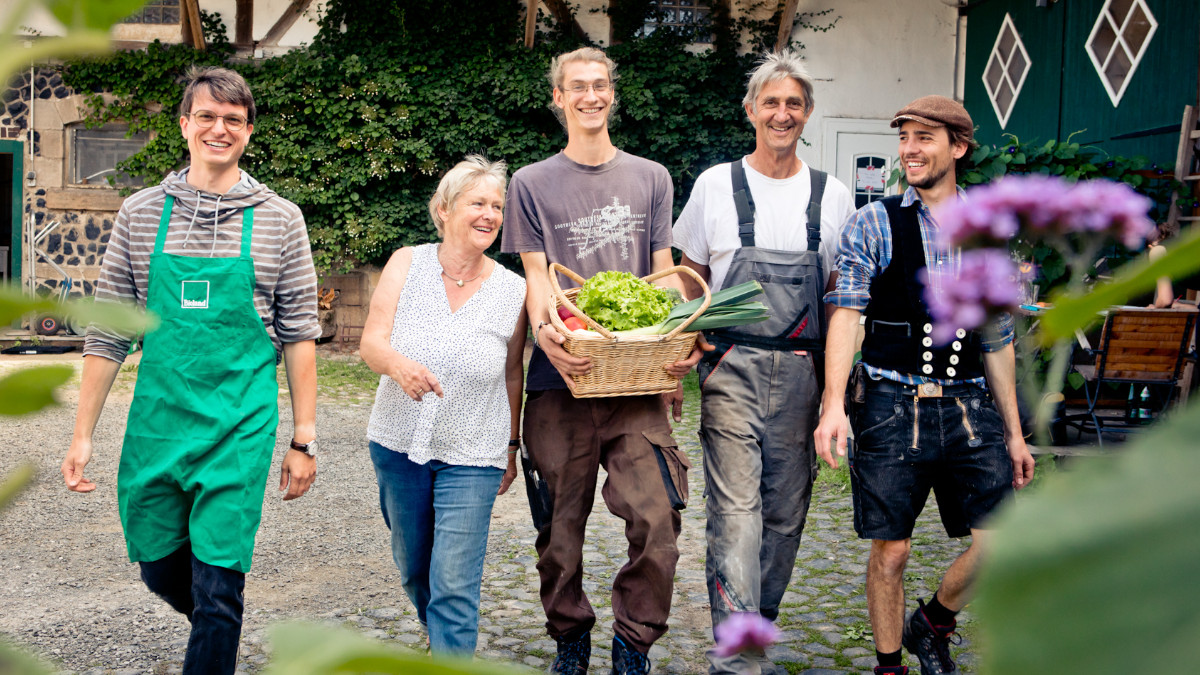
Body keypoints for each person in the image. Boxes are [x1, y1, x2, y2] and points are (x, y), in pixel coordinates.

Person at [60, 66, 320, 674]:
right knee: (157, 566)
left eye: (233, 119)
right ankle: (212, 621)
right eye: (206, 116)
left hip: (239, 424)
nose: (219, 129)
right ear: (184, 125)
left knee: (219, 584)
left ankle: (214, 628)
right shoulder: (140, 212)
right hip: (161, 421)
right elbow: (109, 332)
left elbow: (300, 333)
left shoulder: (281, 218)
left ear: (248, 131)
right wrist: (82, 434)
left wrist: (303, 439)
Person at [813, 95, 1036, 675]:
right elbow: (846, 314)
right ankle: (890, 666)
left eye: (923, 138)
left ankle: (933, 621)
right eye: (904, 137)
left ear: (958, 147)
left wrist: (1015, 434)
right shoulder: (874, 221)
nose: (909, 150)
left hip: (970, 406)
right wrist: (834, 405)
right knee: (892, 551)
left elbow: (997, 338)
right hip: (890, 402)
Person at [500, 47, 701, 675]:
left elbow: (664, 273)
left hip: (635, 381)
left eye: (600, 85)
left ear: (613, 94)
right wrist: (546, 333)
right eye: (577, 87)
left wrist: (676, 339)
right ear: (558, 98)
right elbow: (537, 272)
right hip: (559, 380)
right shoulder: (530, 182)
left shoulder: (652, 177)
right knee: (558, 532)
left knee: (657, 519)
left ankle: (633, 642)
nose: (591, 96)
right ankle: (570, 636)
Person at [671, 50, 854, 675]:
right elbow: (689, 275)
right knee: (737, 517)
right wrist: (684, 344)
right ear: (750, 110)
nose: (782, 113)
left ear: (808, 114)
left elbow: (841, 299)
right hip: (732, 369)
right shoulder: (715, 185)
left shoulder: (833, 196)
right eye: (770, 102)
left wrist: (834, 394)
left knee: (783, 517)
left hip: (803, 375)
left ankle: (755, 624)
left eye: (793, 104)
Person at [359, 155, 527, 656]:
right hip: (398, 443)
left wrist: (511, 446)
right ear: (444, 209)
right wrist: (398, 365)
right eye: (478, 203)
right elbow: (371, 343)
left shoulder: (514, 289)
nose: (489, 214)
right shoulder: (406, 263)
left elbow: (512, 372)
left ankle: (451, 657)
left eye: (497, 206)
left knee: (454, 579)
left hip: (475, 449)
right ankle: (437, 632)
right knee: (414, 568)